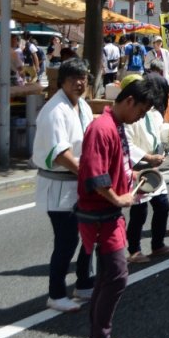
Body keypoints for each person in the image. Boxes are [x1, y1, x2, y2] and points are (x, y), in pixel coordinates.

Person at [75, 75, 161, 338]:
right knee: (117, 276)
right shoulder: (102, 128)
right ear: (129, 100)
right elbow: (94, 174)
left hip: (107, 212)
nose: (140, 117)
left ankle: (99, 337)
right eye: (141, 111)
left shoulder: (116, 124)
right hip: (100, 213)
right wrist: (117, 198)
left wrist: (133, 179)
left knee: (108, 276)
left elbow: (114, 167)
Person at [32, 58, 96, 312]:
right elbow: (61, 155)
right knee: (67, 240)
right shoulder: (54, 110)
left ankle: (84, 284)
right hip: (60, 185)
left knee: (90, 235)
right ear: (62, 82)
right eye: (74, 79)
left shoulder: (82, 106)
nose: (80, 84)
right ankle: (56, 294)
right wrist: (93, 176)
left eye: (84, 79)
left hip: (79, 182)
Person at [125, 73, 169, 263]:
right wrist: (148, 157)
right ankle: (134, 250)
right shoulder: (129, 114)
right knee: (139, 212)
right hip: (138, 167)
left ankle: (157, 245)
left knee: (162, 205)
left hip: (153, 166)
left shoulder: (155, 113)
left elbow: (161, 135)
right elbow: (126, 144)